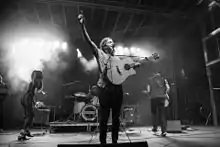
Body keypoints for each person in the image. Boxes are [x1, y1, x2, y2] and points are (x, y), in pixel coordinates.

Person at [77, 12, 141, 144]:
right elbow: (88, 41)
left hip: (117, 89)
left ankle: (115, 142)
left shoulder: (117, 58)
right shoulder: (100, 53)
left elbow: (122, 71)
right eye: (110, 42)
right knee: (104, 118)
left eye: (113, 42)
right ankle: (103, 142)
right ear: (104, 45)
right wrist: (83, 26)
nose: (113, 44)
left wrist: (135, 65)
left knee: (116, 118)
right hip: (105, 90)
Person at [18, 70, 44, 140]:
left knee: (28, 115)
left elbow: (31, 93)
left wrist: (34, 102)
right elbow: (33, 94)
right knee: (30, 116)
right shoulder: (37, 82)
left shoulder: (32, 82)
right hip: (27, 99)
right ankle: (23, 132)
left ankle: (26, 131)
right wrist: (36, 102)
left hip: (24, 98)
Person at [144, 72, 170, 137]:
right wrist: (165, 94)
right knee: (162, 114)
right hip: (161, 98)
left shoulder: (150, 80)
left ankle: (155, 128)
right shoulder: (164, 80)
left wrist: (148, 94)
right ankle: (163, 131)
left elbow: (148, 90)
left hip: (154, 98)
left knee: (154, 114)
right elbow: (168, 88)